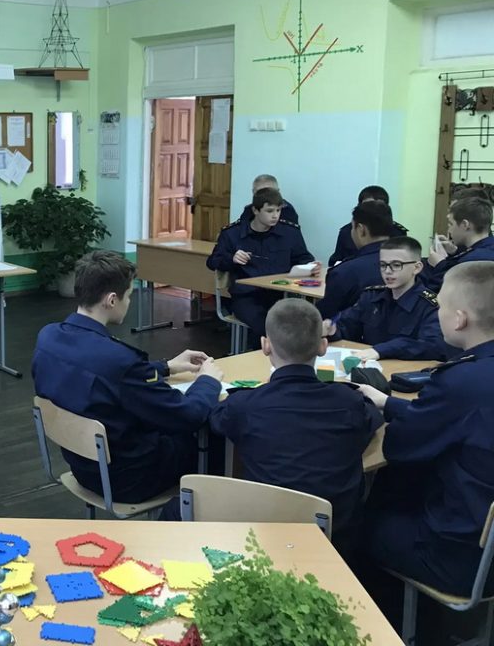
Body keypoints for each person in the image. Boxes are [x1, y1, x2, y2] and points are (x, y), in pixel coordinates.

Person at [32, 251, 223, 504]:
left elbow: (104, 372)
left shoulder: (48, 337)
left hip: (85, 467)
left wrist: (165, 367)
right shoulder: (120, 361)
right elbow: (187, 415)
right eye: (129, 295)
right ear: (112, 300)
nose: (129, 302)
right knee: (218, 435)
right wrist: (208, 381)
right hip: (130, 479)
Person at [360, 261, 494, 597]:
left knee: (355, 518)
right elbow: (466, 418)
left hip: (459, 559)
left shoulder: (460, 380)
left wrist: (387, 415)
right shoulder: (473, 380)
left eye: (441, 306)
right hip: (484, 543)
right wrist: (390, 403)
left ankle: (380, 612)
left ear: (460, 319)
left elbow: (398, 447)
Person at [209, 298, 382, 549]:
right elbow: (373, 419)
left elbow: (216, 419)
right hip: (337, 540)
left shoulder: (245, 405)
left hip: (264, 539)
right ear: (323, 346)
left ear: (265, 346)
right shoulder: (349, 402)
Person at [207, 187, 319, 344]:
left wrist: (311, 266)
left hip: (281, 294)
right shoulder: (232, 233)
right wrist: (232, 258)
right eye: (269, 211)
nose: (275, 215)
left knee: (301, 323)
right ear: (255, 210)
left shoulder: (289, 232)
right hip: (247, 296)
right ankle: (264, 353)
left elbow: (304, 258)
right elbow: (212, 261)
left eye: (278, 210)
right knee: (267, 326)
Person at [323, 237, 446, 361]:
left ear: (417, 268)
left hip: (405, 370)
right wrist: (332, 330)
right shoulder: (371, 296)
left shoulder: (430, 305)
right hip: (367, 366)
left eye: (396, 265)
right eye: (383, 265)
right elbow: (347, 327)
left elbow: (433, 346)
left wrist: (382, 350)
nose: (387, 271)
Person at [316, 201, 392, 320]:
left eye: (352, 227)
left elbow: (326, 317)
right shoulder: (410, 265)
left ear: (361, 229)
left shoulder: (344, 272)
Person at [421, 196, 494, 291]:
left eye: (451, 224)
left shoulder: (472, 262)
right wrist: (455, 252)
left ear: (465, 225)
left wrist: (439, 265)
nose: (449, 230)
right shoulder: (487, 248)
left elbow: (440, 292)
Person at [328, 185, 409, 267]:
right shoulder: (347, 231)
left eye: (378, 206)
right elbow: (335, 261)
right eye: (368, 206)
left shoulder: (398, 232)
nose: (372, 210)